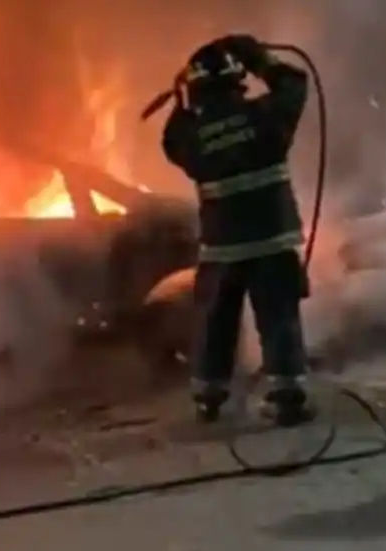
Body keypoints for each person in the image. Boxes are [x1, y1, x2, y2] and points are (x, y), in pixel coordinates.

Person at [160, 34, 314, 427]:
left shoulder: (192, 137)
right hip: (272, 239)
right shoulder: (266, 116)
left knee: (216, 322)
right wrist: (257, 56)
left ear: (195, 90)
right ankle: (287, 398)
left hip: (222, 246)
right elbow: (295, 84)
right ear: (236, 82)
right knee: (278, 317)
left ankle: (209, 396)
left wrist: (179, 98)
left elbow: (170, 139)